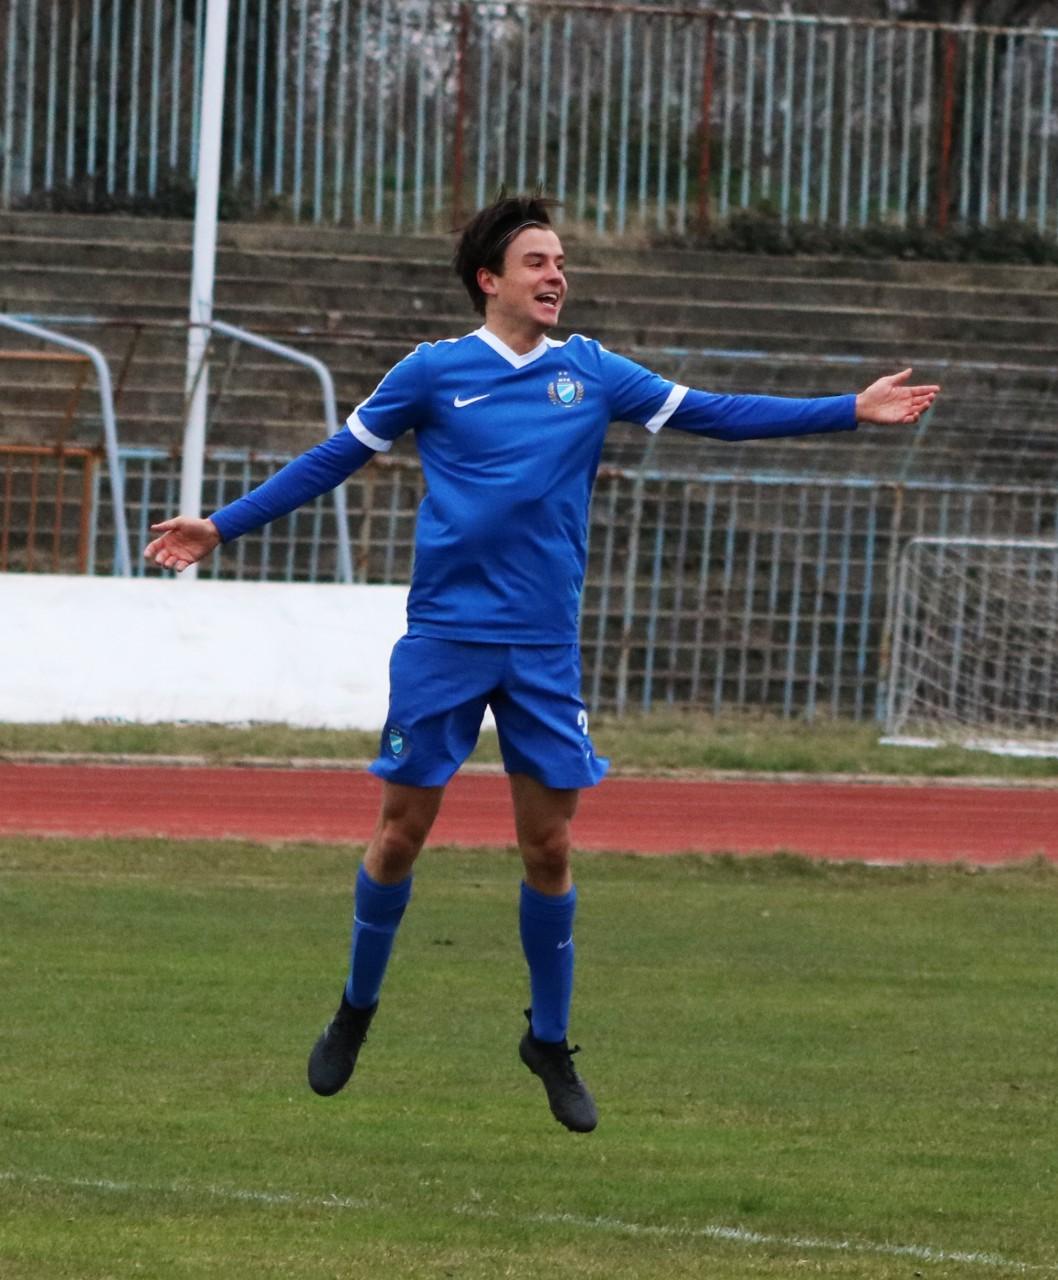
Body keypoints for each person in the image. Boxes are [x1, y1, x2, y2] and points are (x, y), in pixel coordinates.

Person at [144, 193, 939, 1134]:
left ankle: (549, 1040)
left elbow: (716, 414)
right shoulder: (431, 372)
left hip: (543, 648)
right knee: (399, 835)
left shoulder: (591, 370)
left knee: (549, 846)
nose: (557, 275)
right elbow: (331, 459)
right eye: (537, 262)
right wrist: (222, 525)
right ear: (490, 279)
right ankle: (356, 1007)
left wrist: (850, 409)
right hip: (445, 640)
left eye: (561, 262)